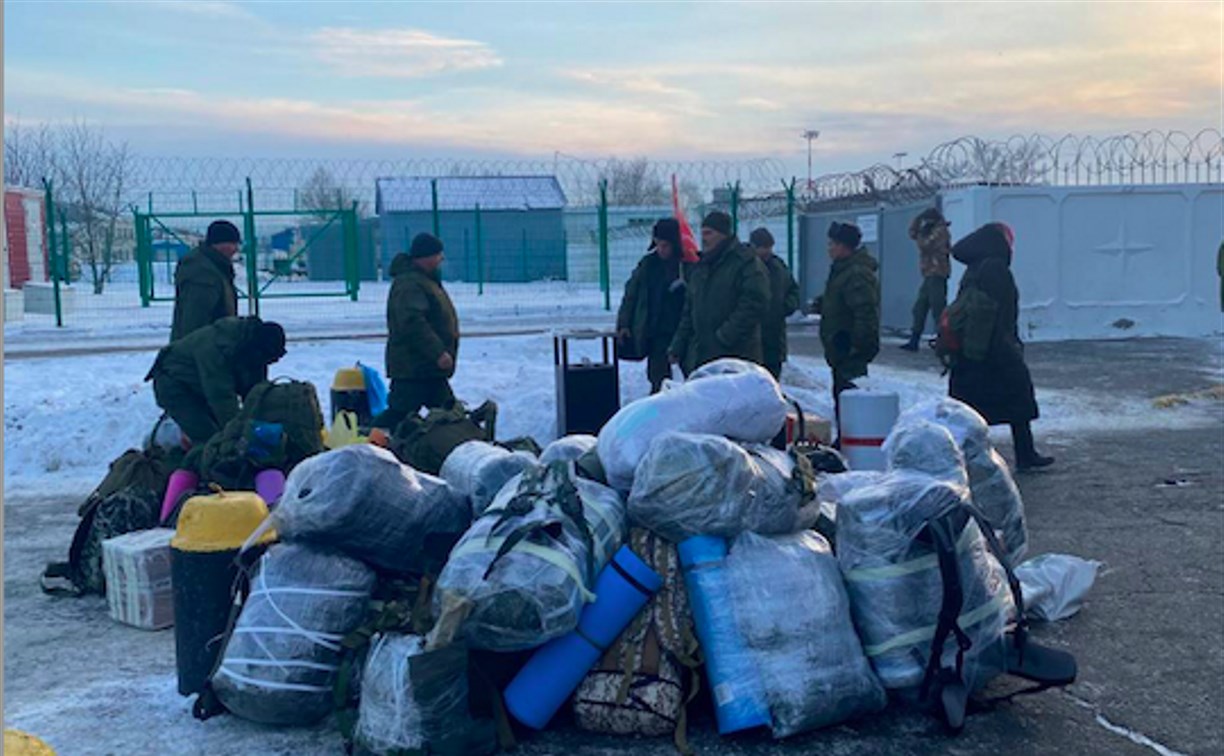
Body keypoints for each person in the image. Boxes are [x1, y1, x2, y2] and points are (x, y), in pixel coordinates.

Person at [949, 222, 1054, 470]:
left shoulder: (976, 267)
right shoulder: (995, 268)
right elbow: (1000, 312)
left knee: (976, 405)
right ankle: (1023, 454)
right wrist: (1008, 344)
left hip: (973, 348)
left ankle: (973, 455)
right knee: (1016, 398)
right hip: (994, 347)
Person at [145, 316, 286, 448]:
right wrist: (239, 434)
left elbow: (255, 392)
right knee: (209, 440)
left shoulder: (251, 348)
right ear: (258, 348)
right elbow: (221, 397)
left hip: (199, 385)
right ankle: (159, 443)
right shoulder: (215, 348)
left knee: (221, 433)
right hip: (172, 385)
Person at [372, 232, 459, 430]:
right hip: (413, 368)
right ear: (426, 257)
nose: (441, 258)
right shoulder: (410, 283)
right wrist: (438, 352)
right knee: (399, 414)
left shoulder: (423, 280)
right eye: (438, 254)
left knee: (448, 413)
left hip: (426, 368)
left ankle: (450, 446)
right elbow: (412, 324)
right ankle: (365, 443)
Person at [668, 210, 769, 375]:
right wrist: (678, 344)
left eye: (709, 233)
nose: (704, 239)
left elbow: (755, 303)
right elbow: (689, 311)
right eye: (702, 233)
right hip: (702, 356)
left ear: (723, 234)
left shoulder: (745, 262)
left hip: (736, 357)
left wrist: (724, 336)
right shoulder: (701, 267)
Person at [813, 221, 879, 427]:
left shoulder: (856, 273)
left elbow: (865, 312)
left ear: (844, 246)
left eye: (832, 244)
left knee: (851, 401)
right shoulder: (843, 270)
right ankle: (846, 439)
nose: (829, 248)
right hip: (841, 350)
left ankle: (853, 442)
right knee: (843, 400)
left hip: (850, 352)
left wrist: (855, 346)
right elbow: (844, 302)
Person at [617, 218, 688, 393]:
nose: (661, 250)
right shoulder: (648, 265)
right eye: (658, 245)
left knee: (692, 378)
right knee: (658, 380)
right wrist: (624, 324)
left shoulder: (687, 265)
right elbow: (631, 295)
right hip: (658, 333)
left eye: (665, 245)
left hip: (685, 331)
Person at [170, 219, 240, 341]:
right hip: (201, 350)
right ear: (217, 244)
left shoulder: (215, 265)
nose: (235, 249)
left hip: (211, 345)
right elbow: (194, 321)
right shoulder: (201, 272)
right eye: (231, 243)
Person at [749, 227, 801, 380]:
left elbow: (793, 290)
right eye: (762, 247)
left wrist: (786, 306)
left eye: (769, 247)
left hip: (774, 337)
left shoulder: (778, 267)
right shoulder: (745, 267)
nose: (766, 252)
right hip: (752, 337)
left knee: (772, 380)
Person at [902, 208, 952, 351]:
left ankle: (945, 341)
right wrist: (917, 220)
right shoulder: (928, 229)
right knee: (919, 308)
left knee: (938, 309)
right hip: (929, 273)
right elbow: (912, 233)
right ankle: (914, 340)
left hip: (938, 273)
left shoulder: (940, 231)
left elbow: (925, 246)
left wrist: (920, 232)